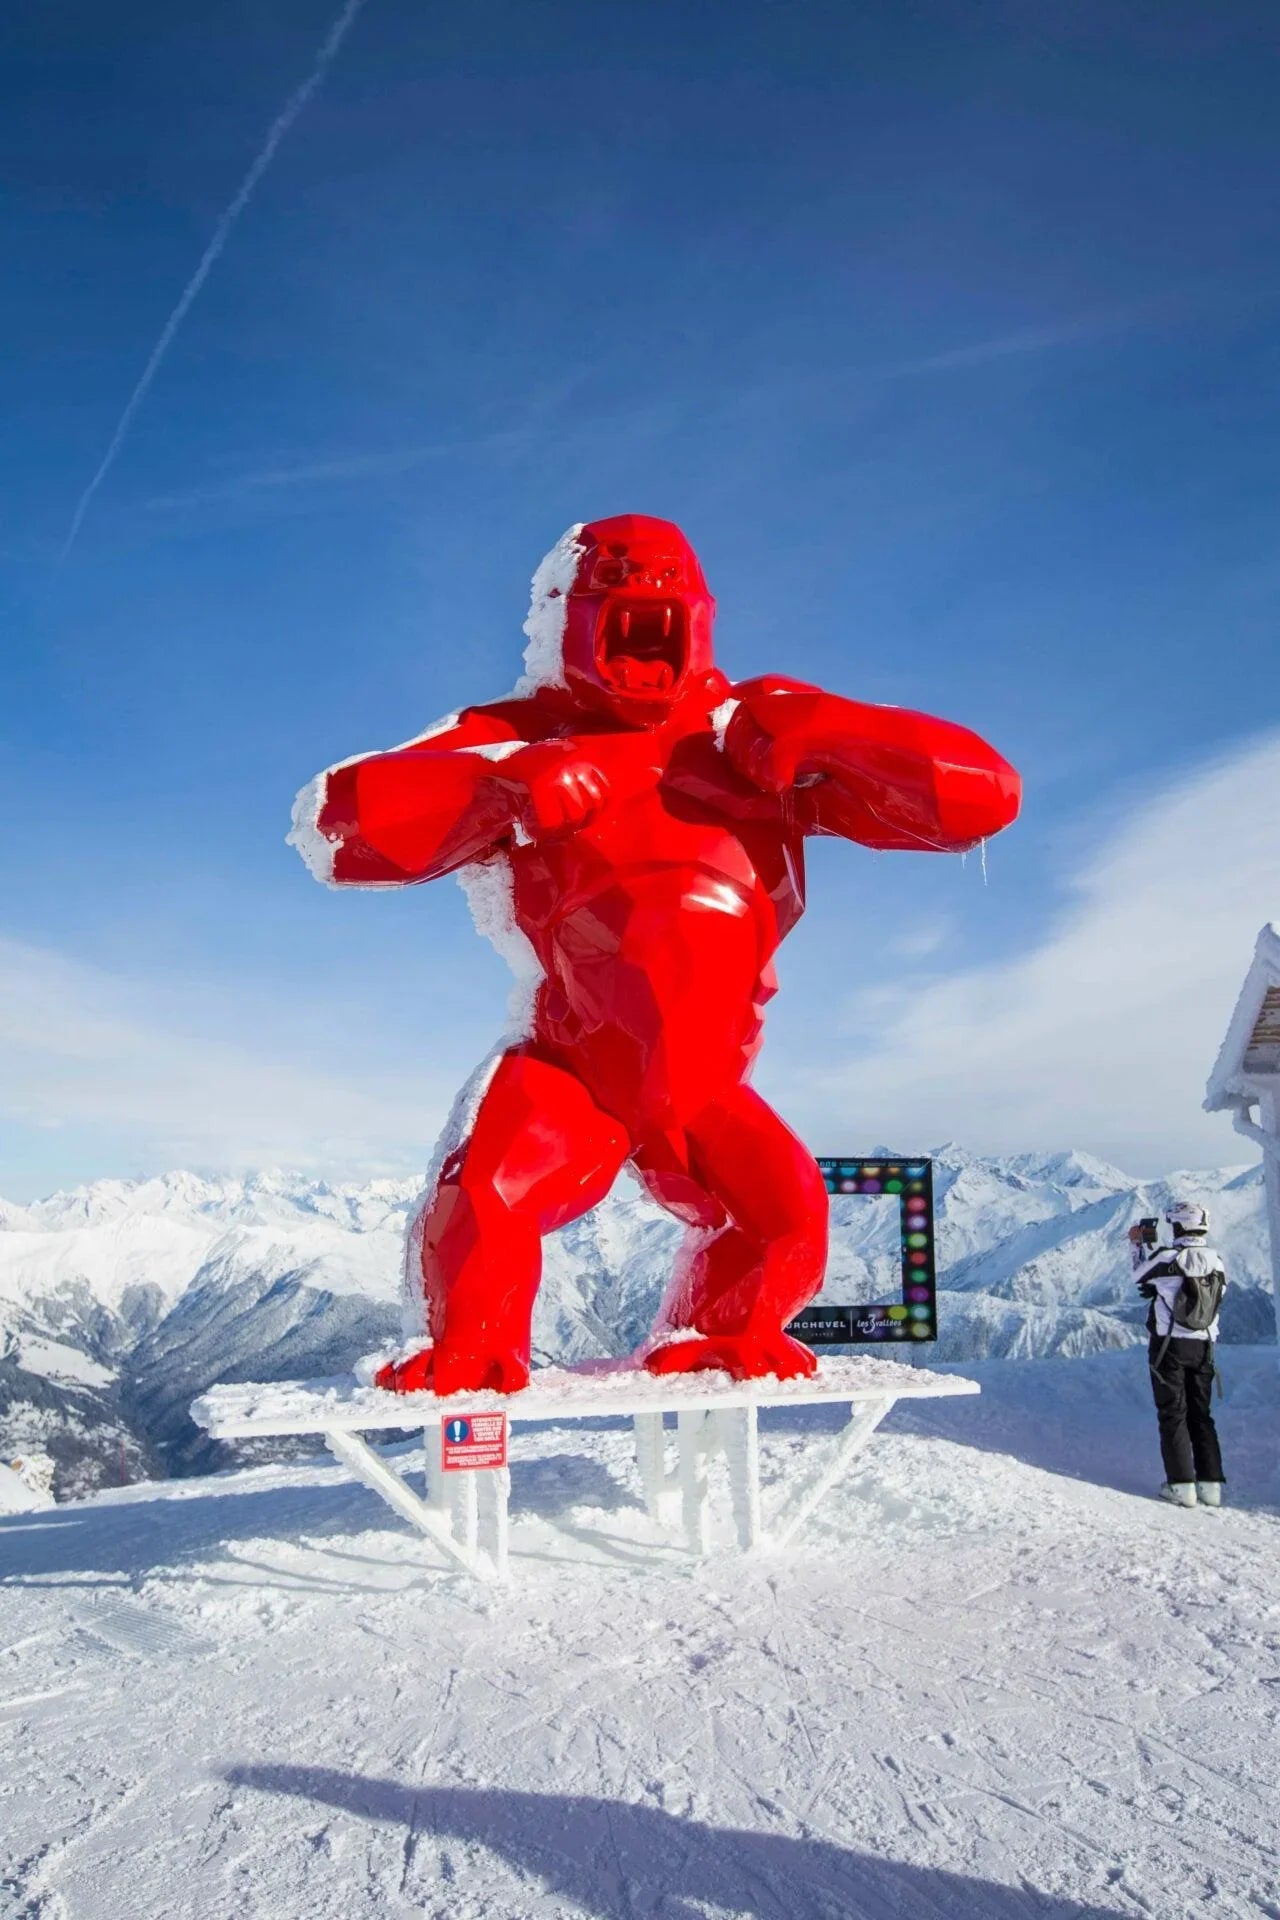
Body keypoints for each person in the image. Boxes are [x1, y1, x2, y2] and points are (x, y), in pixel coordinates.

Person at [1130, 1202, 1227, 1509]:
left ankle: (1181, 1486)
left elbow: (1139, 1277)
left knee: (1173, 1414)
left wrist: (1137, 1243)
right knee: (1201, 1415)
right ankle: (1211, 1487)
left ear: (1179, 1227)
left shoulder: (1167, 1258)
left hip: (1169, 1346)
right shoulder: (1217, 1261)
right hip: (1205, 1347)